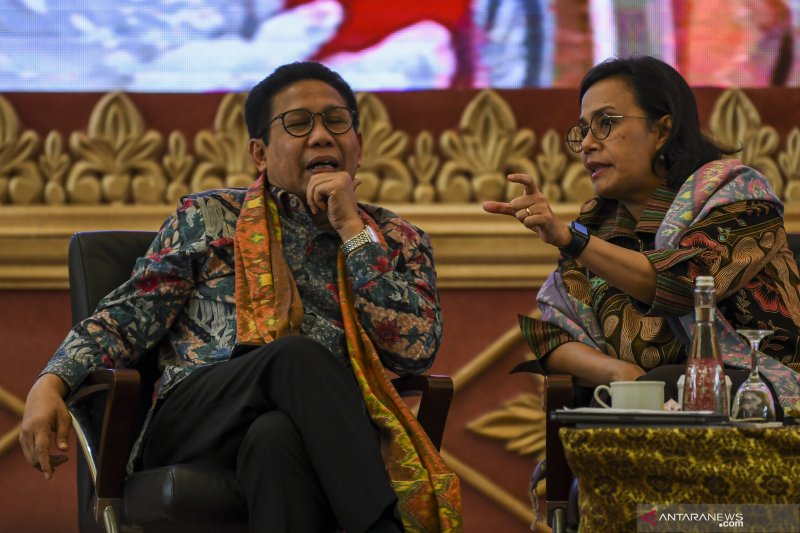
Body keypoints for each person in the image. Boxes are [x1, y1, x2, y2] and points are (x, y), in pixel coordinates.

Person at [20, 61, 461, 533]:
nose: (320, 136)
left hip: (319, 430)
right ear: (260, 153)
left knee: (274, 439)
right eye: (297, 124)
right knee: (293, 357)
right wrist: (52, 381)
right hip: (198, 415)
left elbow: (413, 351)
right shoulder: (209, 218)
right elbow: (127, 316)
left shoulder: (395, 238)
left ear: (359, 145)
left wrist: (352, 230)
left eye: (337, 121)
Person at [483, 55, 800, 410]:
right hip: (648, 407)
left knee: (665, 385)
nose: (588, 143)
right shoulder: (599, 226)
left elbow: (686, 287)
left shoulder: (738, 197)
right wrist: (622, 375)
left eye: (606, 123)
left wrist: (572, 240)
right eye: (584, 129)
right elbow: (555, 336)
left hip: (759, 400)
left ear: (662, 130)